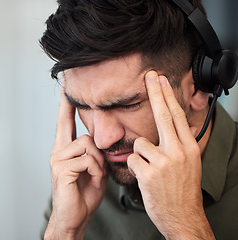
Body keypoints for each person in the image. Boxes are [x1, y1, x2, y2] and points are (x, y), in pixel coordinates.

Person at [40, 0, 238, 239]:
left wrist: (185, 225)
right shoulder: (81, 185)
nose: (102, 140)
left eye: (128, 104)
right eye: (82, 105)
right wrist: (65, 230)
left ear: (198, 88)